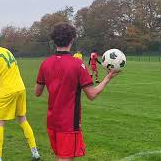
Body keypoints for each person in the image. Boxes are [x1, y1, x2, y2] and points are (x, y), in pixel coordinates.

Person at [34, 22, 119, 161]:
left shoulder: (45, 63)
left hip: (52, 121)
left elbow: (37, 92)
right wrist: (108, 78)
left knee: (59, 157)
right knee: (65, 158)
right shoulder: (77, 65)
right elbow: (92, 95)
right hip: (68, 123)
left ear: (53, 40)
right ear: (72, 39)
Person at [0, 33, 40, 161]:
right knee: (23, 120)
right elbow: (0, 77)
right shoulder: (5, 51)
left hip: (7, 92)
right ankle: (35, 152)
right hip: (20, 89)